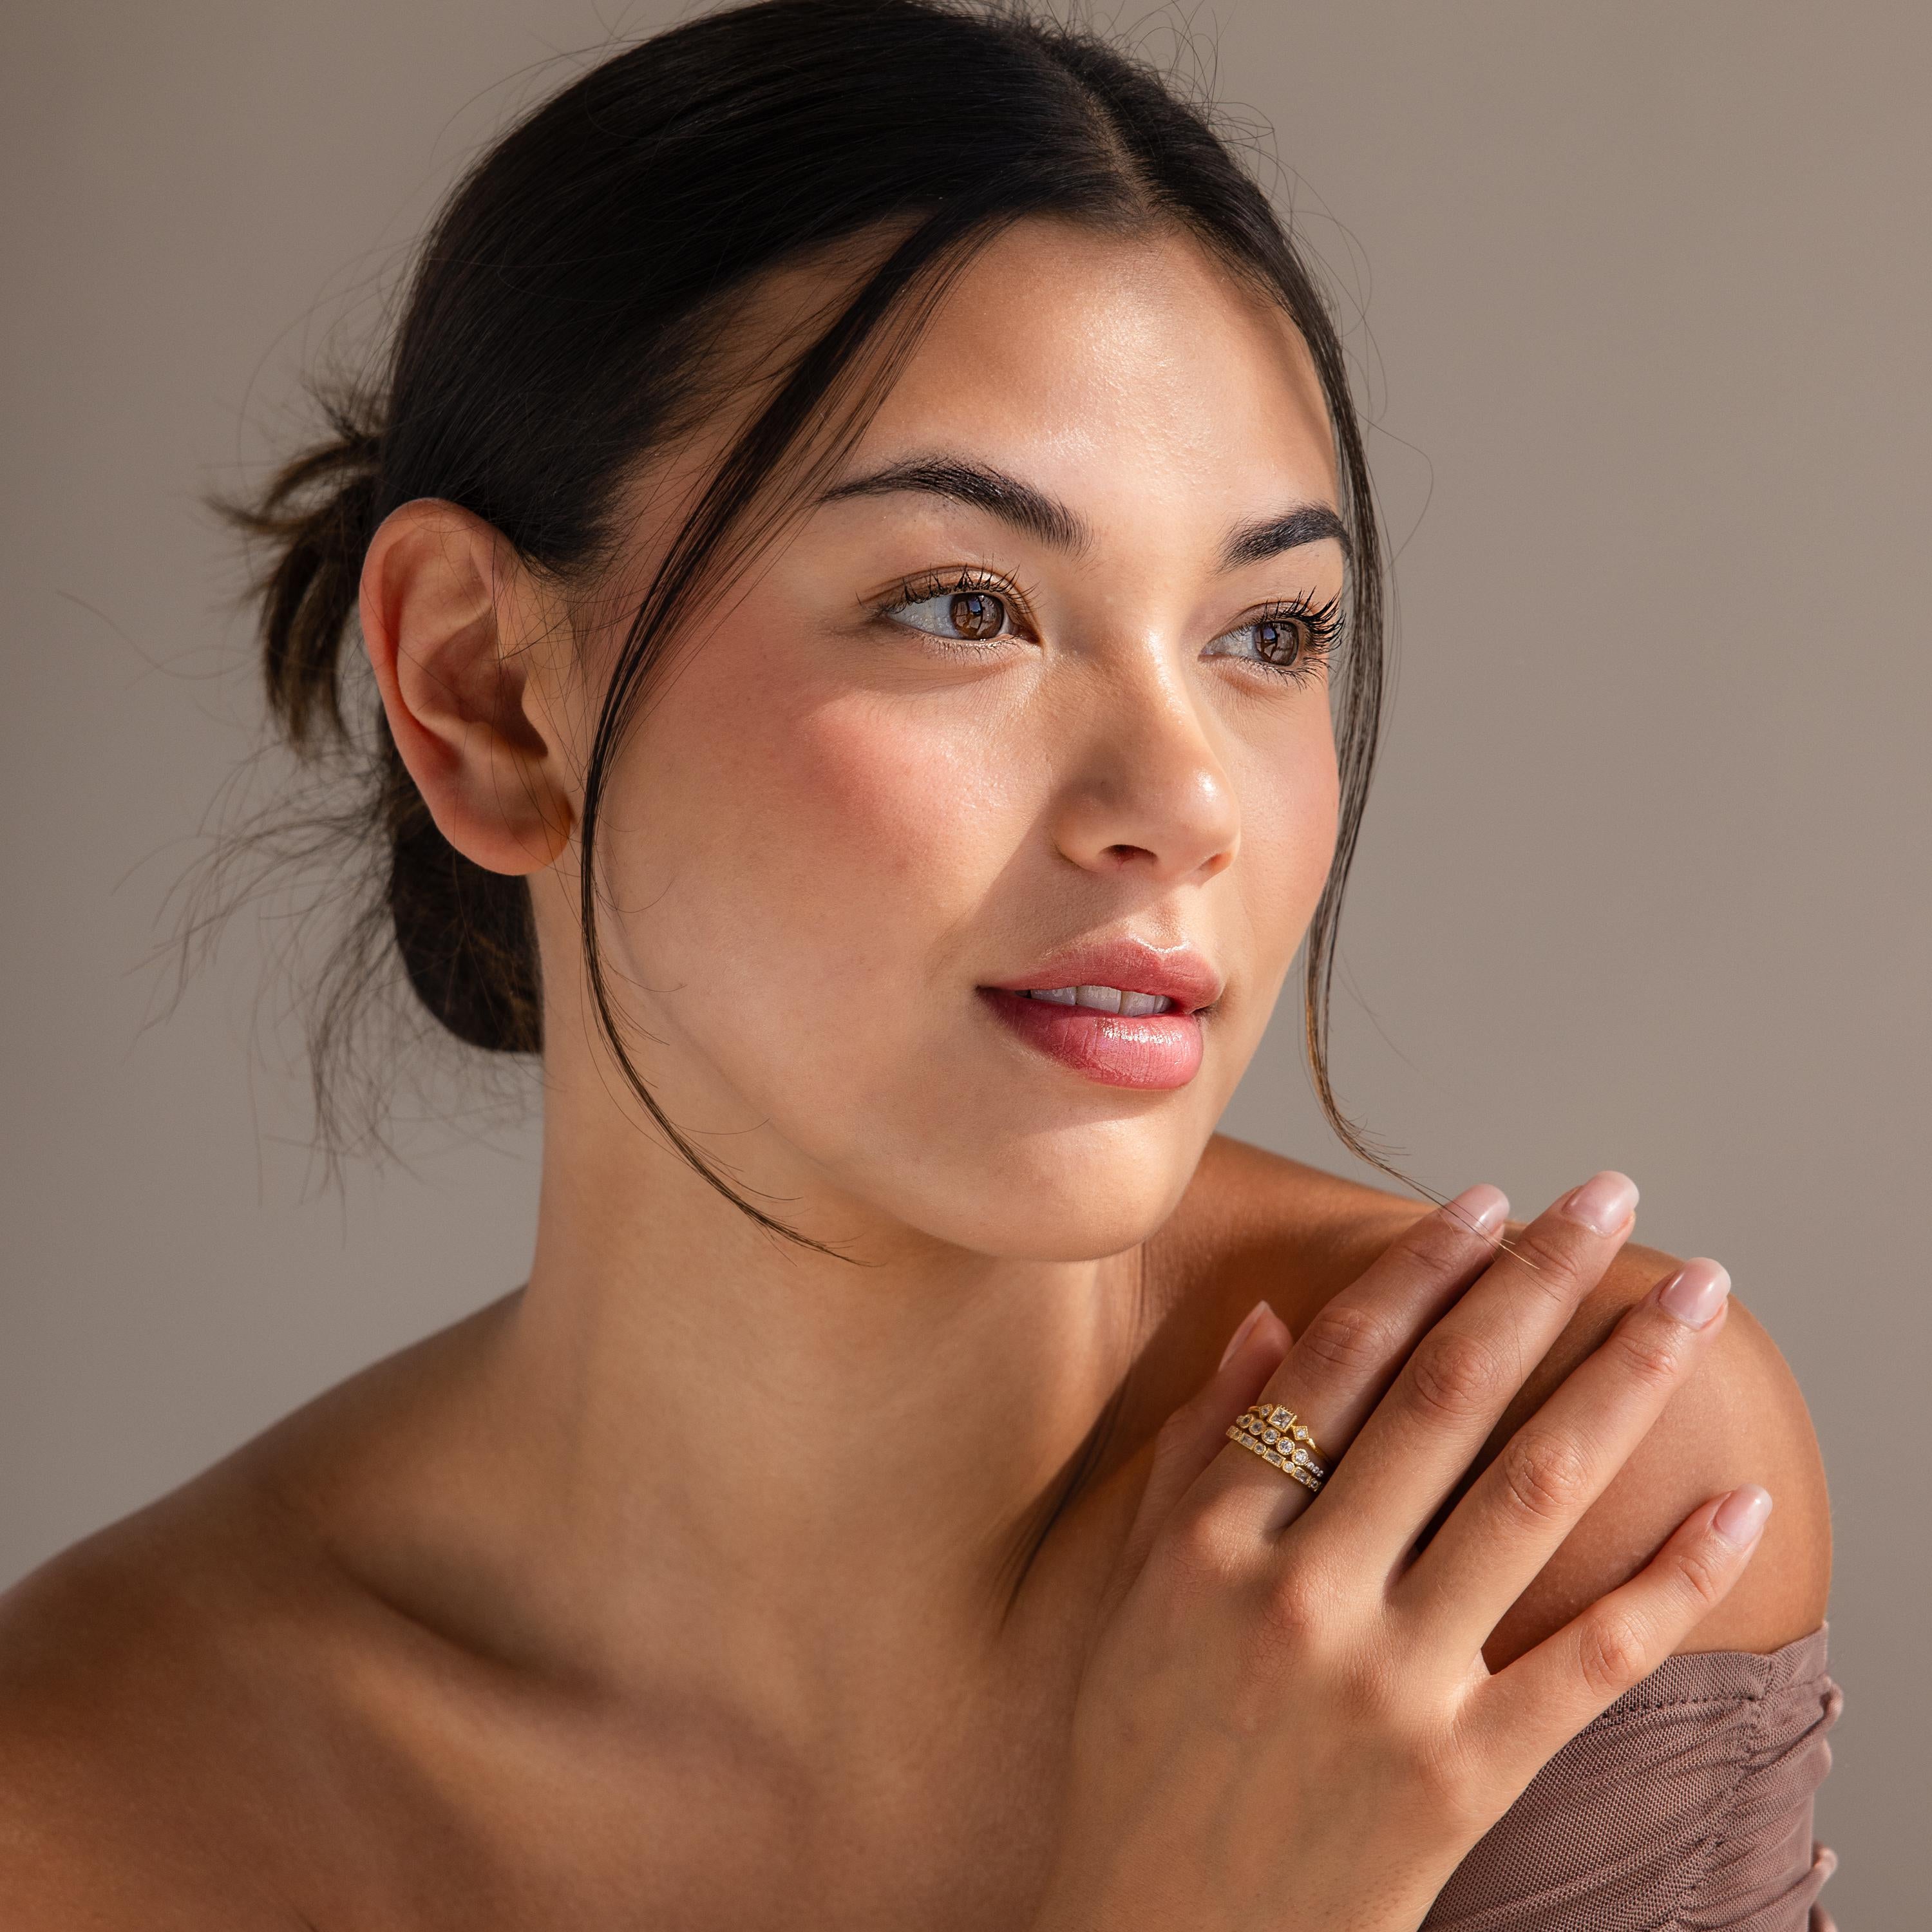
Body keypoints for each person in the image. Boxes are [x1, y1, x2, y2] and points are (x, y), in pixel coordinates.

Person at [0, 2, 1837, 1925]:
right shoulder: (101, 1796)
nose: (1184, 801)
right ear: (486, 693)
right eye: (967, 605)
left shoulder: (1531, 1503)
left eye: (1270, 636)